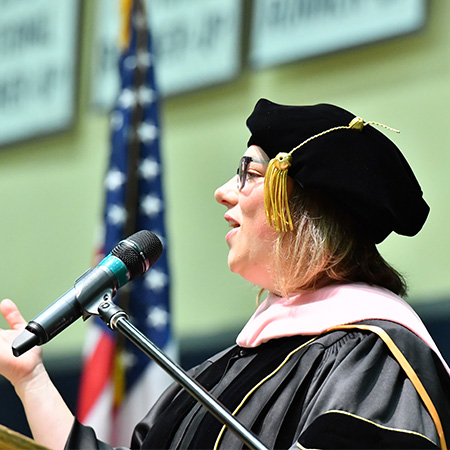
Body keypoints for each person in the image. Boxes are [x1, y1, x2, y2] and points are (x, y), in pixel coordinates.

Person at [1, 98, 449, 449]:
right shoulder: (224, 370)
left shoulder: (371, 361)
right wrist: (32, 380)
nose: (222, 192)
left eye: (247, 174)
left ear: (300, 207)